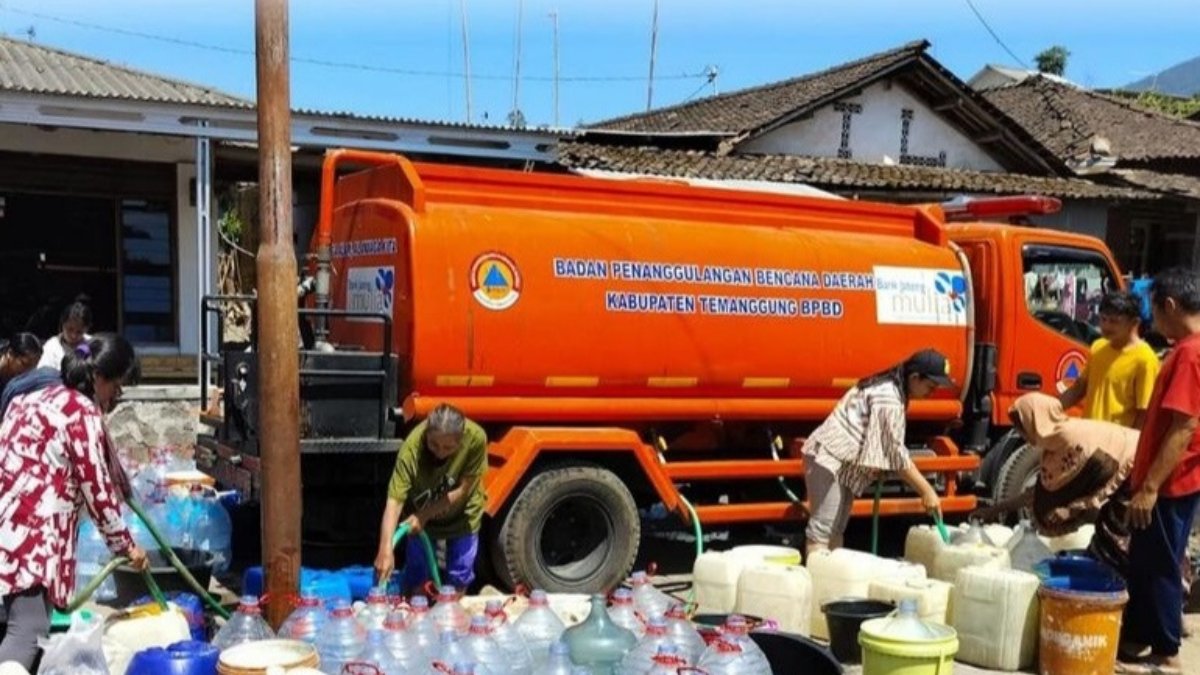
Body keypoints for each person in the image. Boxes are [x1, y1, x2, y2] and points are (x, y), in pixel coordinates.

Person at [0, 334, 148, 668]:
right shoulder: (79, 412)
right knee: (27, 630)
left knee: (29, 629)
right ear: (99, 378)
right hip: (33, 535)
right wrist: (125, 546)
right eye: (117, 388)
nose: (114, 399)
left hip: (9, 526)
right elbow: (98, 491)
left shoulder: (31, 397)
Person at [1116, 268, 1200, 675]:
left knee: (1160, 563)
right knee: (1145, 559)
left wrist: (1149, 486)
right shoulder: (1187, 349)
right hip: (1171, 479)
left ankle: (1167, 652)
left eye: (1154, 310)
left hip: (1172, 482)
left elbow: (1184, 426)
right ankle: (1138, 640)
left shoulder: (1189, 354)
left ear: (1170, 305)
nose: (1152, 320)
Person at [802, 349, 949, 555]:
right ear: (915, 377)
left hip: (844, 462)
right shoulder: (888, 396)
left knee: (836, 530)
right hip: (828, 457)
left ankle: (830, 581)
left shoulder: (895, 391)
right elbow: (896, 454)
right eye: (930, 386)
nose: (932, 393)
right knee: (822, 531)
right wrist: (926, 490)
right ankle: (818, 584)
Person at [971, 393, 1137, 536]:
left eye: (1022, 427)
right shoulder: (1053, 450)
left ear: (1035, 421)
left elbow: (1103, 476)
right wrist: (994, 510)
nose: (1022, 435)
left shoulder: (1073, 441)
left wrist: (1070, 510)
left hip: (1135, 471)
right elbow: (1035, 494)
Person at [374, 403, 487, 593]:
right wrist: (385, 548)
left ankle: (452, 613)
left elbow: (463, 489)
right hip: (419, 516)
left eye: (448, 447)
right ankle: (418, 611)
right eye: (434, 444)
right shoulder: (412, 449)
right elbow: (394, 502)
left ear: (460, 440)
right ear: (426, 433)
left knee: (460, 573)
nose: (440, 452)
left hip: (462, 512)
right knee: (418, 573)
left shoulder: (475, 438)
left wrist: (425, 515)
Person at [1059, 291, 1160, 429]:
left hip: (1117, 443)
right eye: (1103, 319)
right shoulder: (1098, 347)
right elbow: (1079, 388)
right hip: (1089, 436)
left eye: (1114, 321)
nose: (1105, 326)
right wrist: (1053, 408)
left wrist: (1130, 445)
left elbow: (1144, 412)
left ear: (1134, 323)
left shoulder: (1145, 359)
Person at [37, 295, 93, 372]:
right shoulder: (52, 347)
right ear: (62, 324)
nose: (73, 336)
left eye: (79, 332)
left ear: (87, 329)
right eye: (69, 329)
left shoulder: (93, 344)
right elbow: (43, 374)